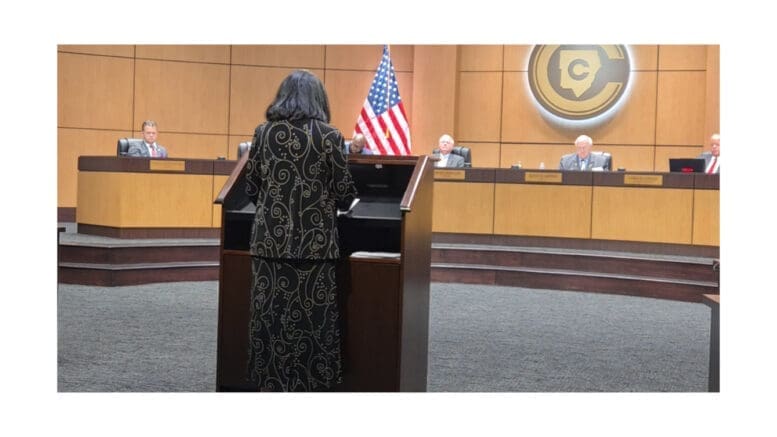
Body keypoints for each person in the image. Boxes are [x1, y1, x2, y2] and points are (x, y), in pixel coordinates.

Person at [244, 69, 358, 392]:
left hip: (269, 248)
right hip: (316, 250)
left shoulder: (263, 134)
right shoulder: (330, 136)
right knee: (312, 326)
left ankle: (270, 388)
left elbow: (251, 187)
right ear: (318, 99)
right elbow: (345, 191)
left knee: (271, 323)